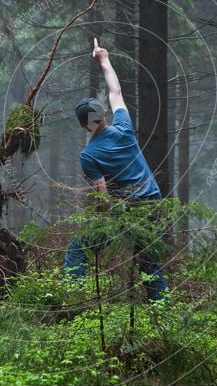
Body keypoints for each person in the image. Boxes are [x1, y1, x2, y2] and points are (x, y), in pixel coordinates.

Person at [63, 38, 168, 301]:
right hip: (153, 201)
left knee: (77, 248)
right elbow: (116, 93)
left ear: (83, 126)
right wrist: (104, 60)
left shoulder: (89, 155)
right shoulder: (124, 128)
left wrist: (104, 224)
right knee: (147, 259)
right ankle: (161, 305)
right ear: (104, 115)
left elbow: (102, 196)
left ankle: (73, 297)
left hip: (128, 210)